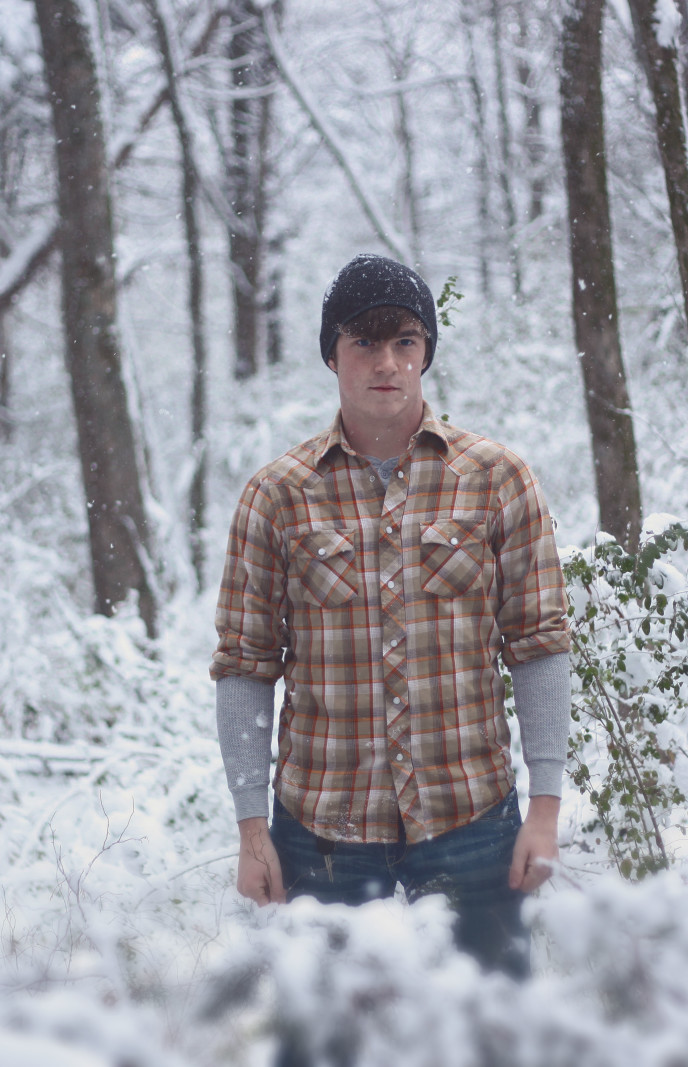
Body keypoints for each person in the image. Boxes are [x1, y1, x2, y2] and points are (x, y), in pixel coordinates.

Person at [211, 253, 572, 982]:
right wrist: (253, 828)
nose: (386, 361)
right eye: (365, 342)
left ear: (426, 352)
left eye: (404, 341)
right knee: (326, 1039)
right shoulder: (277, 496)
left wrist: (545, 804)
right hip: (324, 835)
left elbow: (539, 643)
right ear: (333, 355)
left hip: (473, 819)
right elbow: (245, 666)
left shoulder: (497, 478)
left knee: (494, 1031)